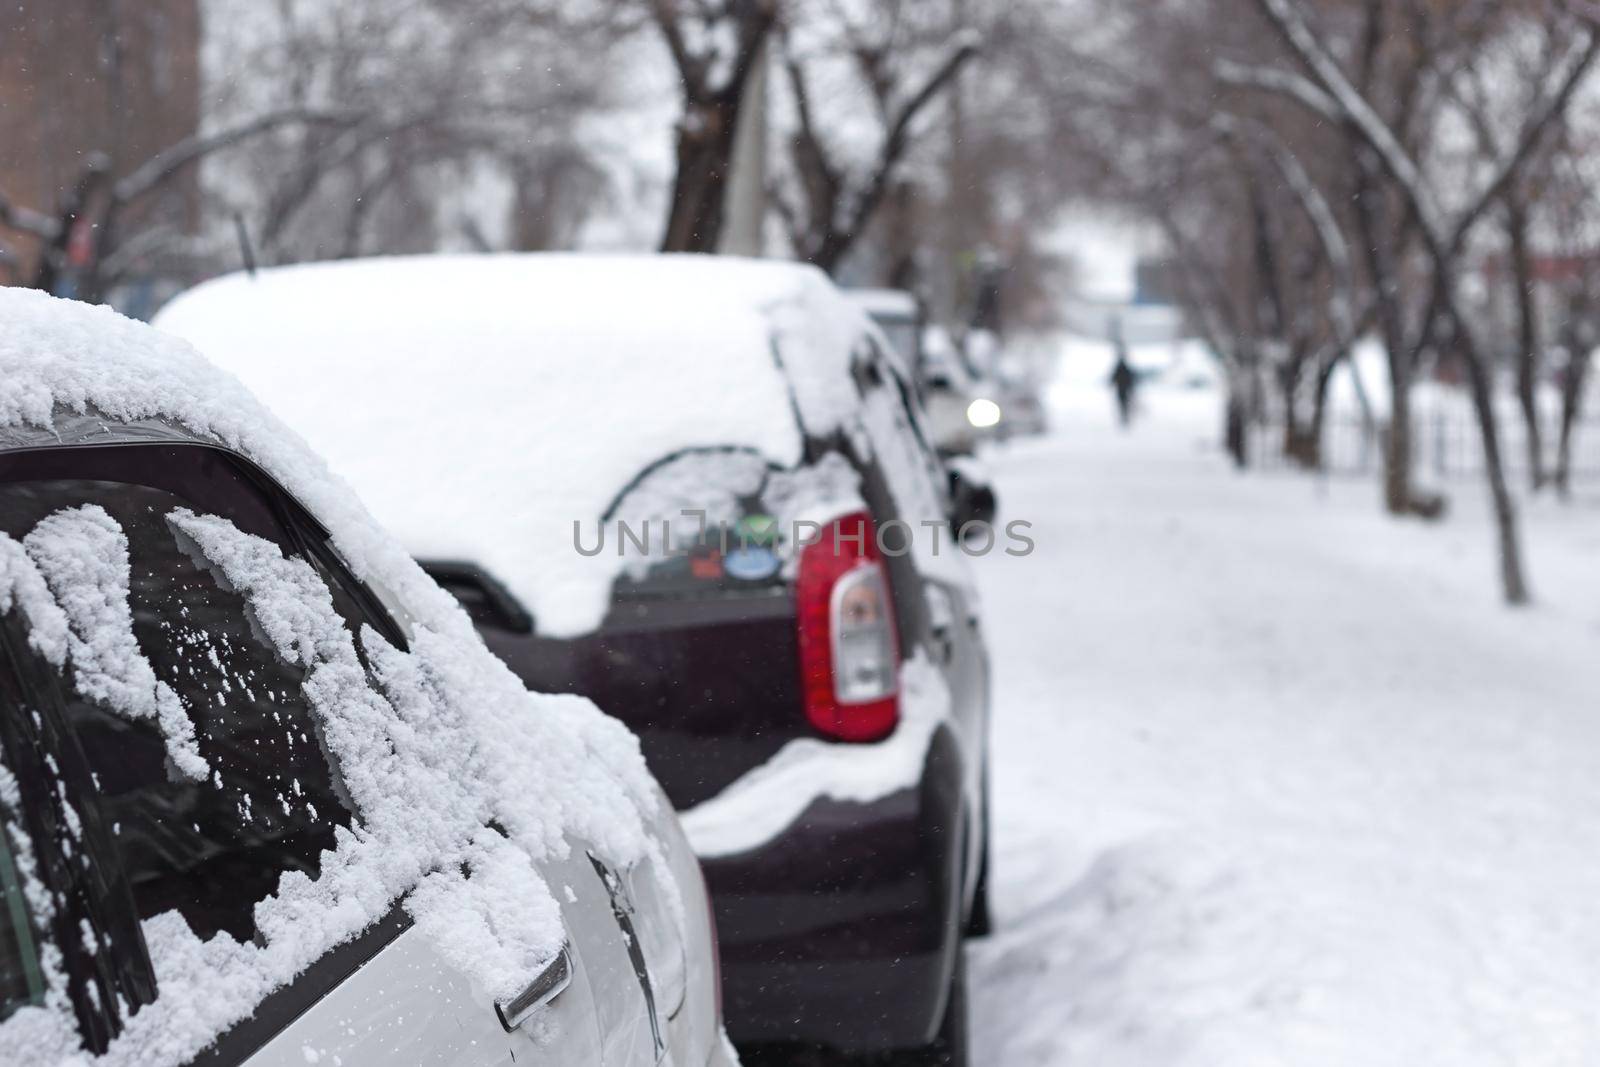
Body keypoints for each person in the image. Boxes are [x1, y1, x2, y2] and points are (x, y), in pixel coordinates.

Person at [1109, 319, 1138, 427]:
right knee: (1124, 404)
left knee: (1123, 404)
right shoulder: (1124, 367)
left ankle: (1124, 417)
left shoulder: (1121, 367)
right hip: (1123, 389)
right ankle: (1124, 417)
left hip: (1122, 389)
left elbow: (1115, 377)